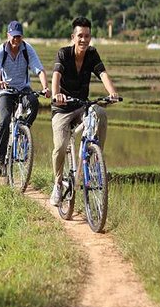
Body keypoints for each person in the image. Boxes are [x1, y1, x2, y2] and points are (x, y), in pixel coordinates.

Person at [50, 16, 119, 206]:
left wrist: (112, 92)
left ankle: (96, 159)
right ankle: (57, 184)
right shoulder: (63, 54)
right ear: (73, 37)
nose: (84, 40)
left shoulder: (92, 54)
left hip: (81, 105)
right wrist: (56, 94)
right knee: (61, 146)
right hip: (62, 108)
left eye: (87, 36)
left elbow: (102, 73)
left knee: (100, 113)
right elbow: (56, 76)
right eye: (80, 36)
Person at [0, 20, 51, 176]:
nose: (16, 40)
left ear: (22, 37)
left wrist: (45, 87)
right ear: (8, 35)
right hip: (5, 91)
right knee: (4, 120)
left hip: (23, 88)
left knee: (34, 103)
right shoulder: (1, 50)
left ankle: (23, 130)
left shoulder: (27, 49)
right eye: (13, 37)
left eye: (18, 37)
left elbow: (39, 70)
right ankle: (0, 161)